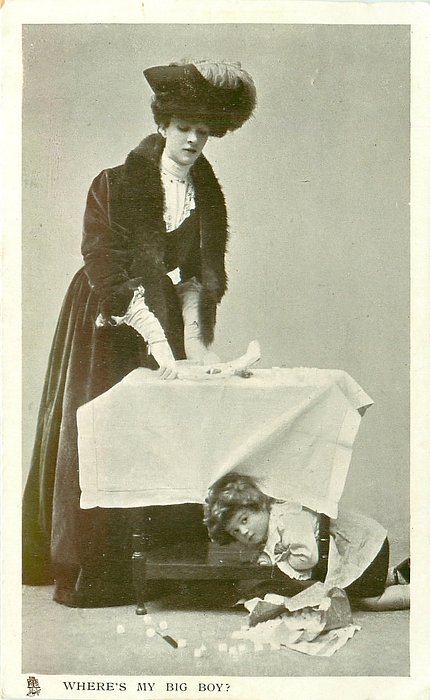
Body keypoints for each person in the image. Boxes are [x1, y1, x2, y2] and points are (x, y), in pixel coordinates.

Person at [22, 59, 257, 608]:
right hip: (105, 314)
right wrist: (155, 340)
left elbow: (199, 278)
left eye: (202, 132)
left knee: (161, 427)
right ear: (162, 125)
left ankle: (162, 565)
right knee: (102, 425)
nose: (193, 140)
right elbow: (104, 262)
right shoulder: (114, 183)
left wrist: (196, 350)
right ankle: (95, 566)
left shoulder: (207, 195)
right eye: (183, 128)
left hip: (165, 316)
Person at [204, 473, 410, 610]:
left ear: (259, 505)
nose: (244, 532)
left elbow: (308, 558)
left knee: (368, 600)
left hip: (364, 546)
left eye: (244, 520)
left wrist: (277, 561)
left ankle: (413, 594)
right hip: (361, 548)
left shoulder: (286, 519)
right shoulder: (272, 524)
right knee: (362, 581)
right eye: (236, 531)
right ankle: (397, 574)